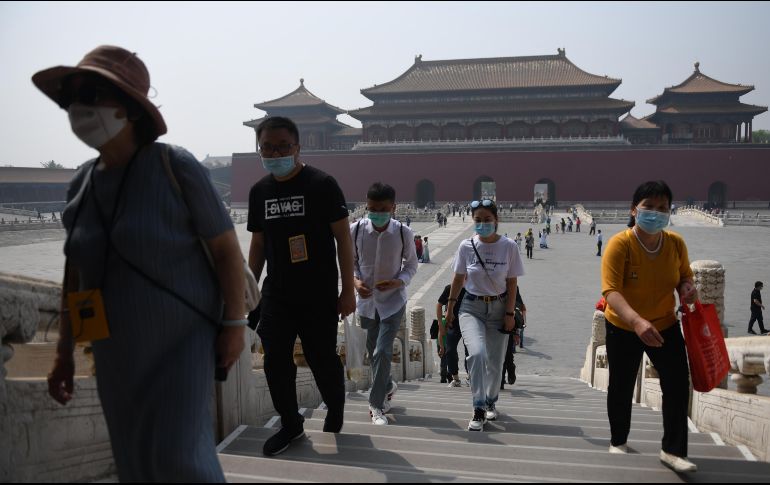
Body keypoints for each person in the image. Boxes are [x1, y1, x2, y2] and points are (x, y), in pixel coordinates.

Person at [39, 45, 245, 482]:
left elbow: (227, 250)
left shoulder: (175, 165)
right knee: (133, 457)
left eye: (91, 95)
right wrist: (64, 352)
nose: (78, 108)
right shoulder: (81, 183)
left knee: (180, 457)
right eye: (71, 98)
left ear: (130, 108)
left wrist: (234, 325)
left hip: (182, 342)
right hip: (113, 349)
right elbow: (75, 274)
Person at [247, 116, 356, 456]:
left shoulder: (322, 184)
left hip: (317, 291)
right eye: (267, 147)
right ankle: (291, 423)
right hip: (277, 292)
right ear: (259, 148)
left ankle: (335, 405)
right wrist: (249, 289)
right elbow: (258, 244)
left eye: (283, 146)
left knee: (320, 356)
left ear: (297, 146)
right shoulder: (259, 191)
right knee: (274, 359)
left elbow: (343, 239)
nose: (275, 153)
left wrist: (347, 290)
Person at [601, 180, 698, 473]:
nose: (656, 213)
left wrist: (687, 288)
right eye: (649, 207)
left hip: (664, 324)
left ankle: (673, 450)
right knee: (621, 385)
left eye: (662, 207)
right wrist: (636, 321)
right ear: (634, 210)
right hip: (623, 326)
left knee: (677, 384)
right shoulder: (620, 244)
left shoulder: (675, 243)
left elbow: (685, 275)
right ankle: (618, 441)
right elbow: (611, 291)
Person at [445, 199, 525, 431]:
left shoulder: (509, 246)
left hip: (500, 308)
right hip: (471, 307)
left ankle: (491, 401)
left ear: (496, 220)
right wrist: (450, 308)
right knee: (477, 354)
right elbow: (458, 278)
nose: (482, 224)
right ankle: (478, 407)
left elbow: (512, 283)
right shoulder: (466, 246)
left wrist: (509, 313)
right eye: (478, 220)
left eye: (487, 219)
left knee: (496, 363)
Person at [352, 183, 418, 426]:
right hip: (367, 302)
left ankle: (376, 405)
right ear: (366, 206)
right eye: (372, 209)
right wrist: (355, 282)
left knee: (382, 351)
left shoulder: (402, 233)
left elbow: (411, 265)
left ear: (393, 207)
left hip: (393, 302)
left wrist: (398, 281)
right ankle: (388, 385)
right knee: (374, 353)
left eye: (382, 209)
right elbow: (350, 262)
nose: (377, 213)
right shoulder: (356, 230)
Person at [437, 283, 469, 387]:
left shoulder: (472, 288)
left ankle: (470, 376)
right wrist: (440, 324)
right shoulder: (450, 288)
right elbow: (439, 304)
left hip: (469, 324)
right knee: (450, 350)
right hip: (453, 325)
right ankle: (455, 378)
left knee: (469, 351)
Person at [501, 287, 526, 389]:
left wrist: (516, 331)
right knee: (498, 353)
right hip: (493, 321)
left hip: (509, 322)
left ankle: (511, 368)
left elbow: (519, 306)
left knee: (507, 353)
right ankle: (500, 380)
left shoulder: (512, 286)